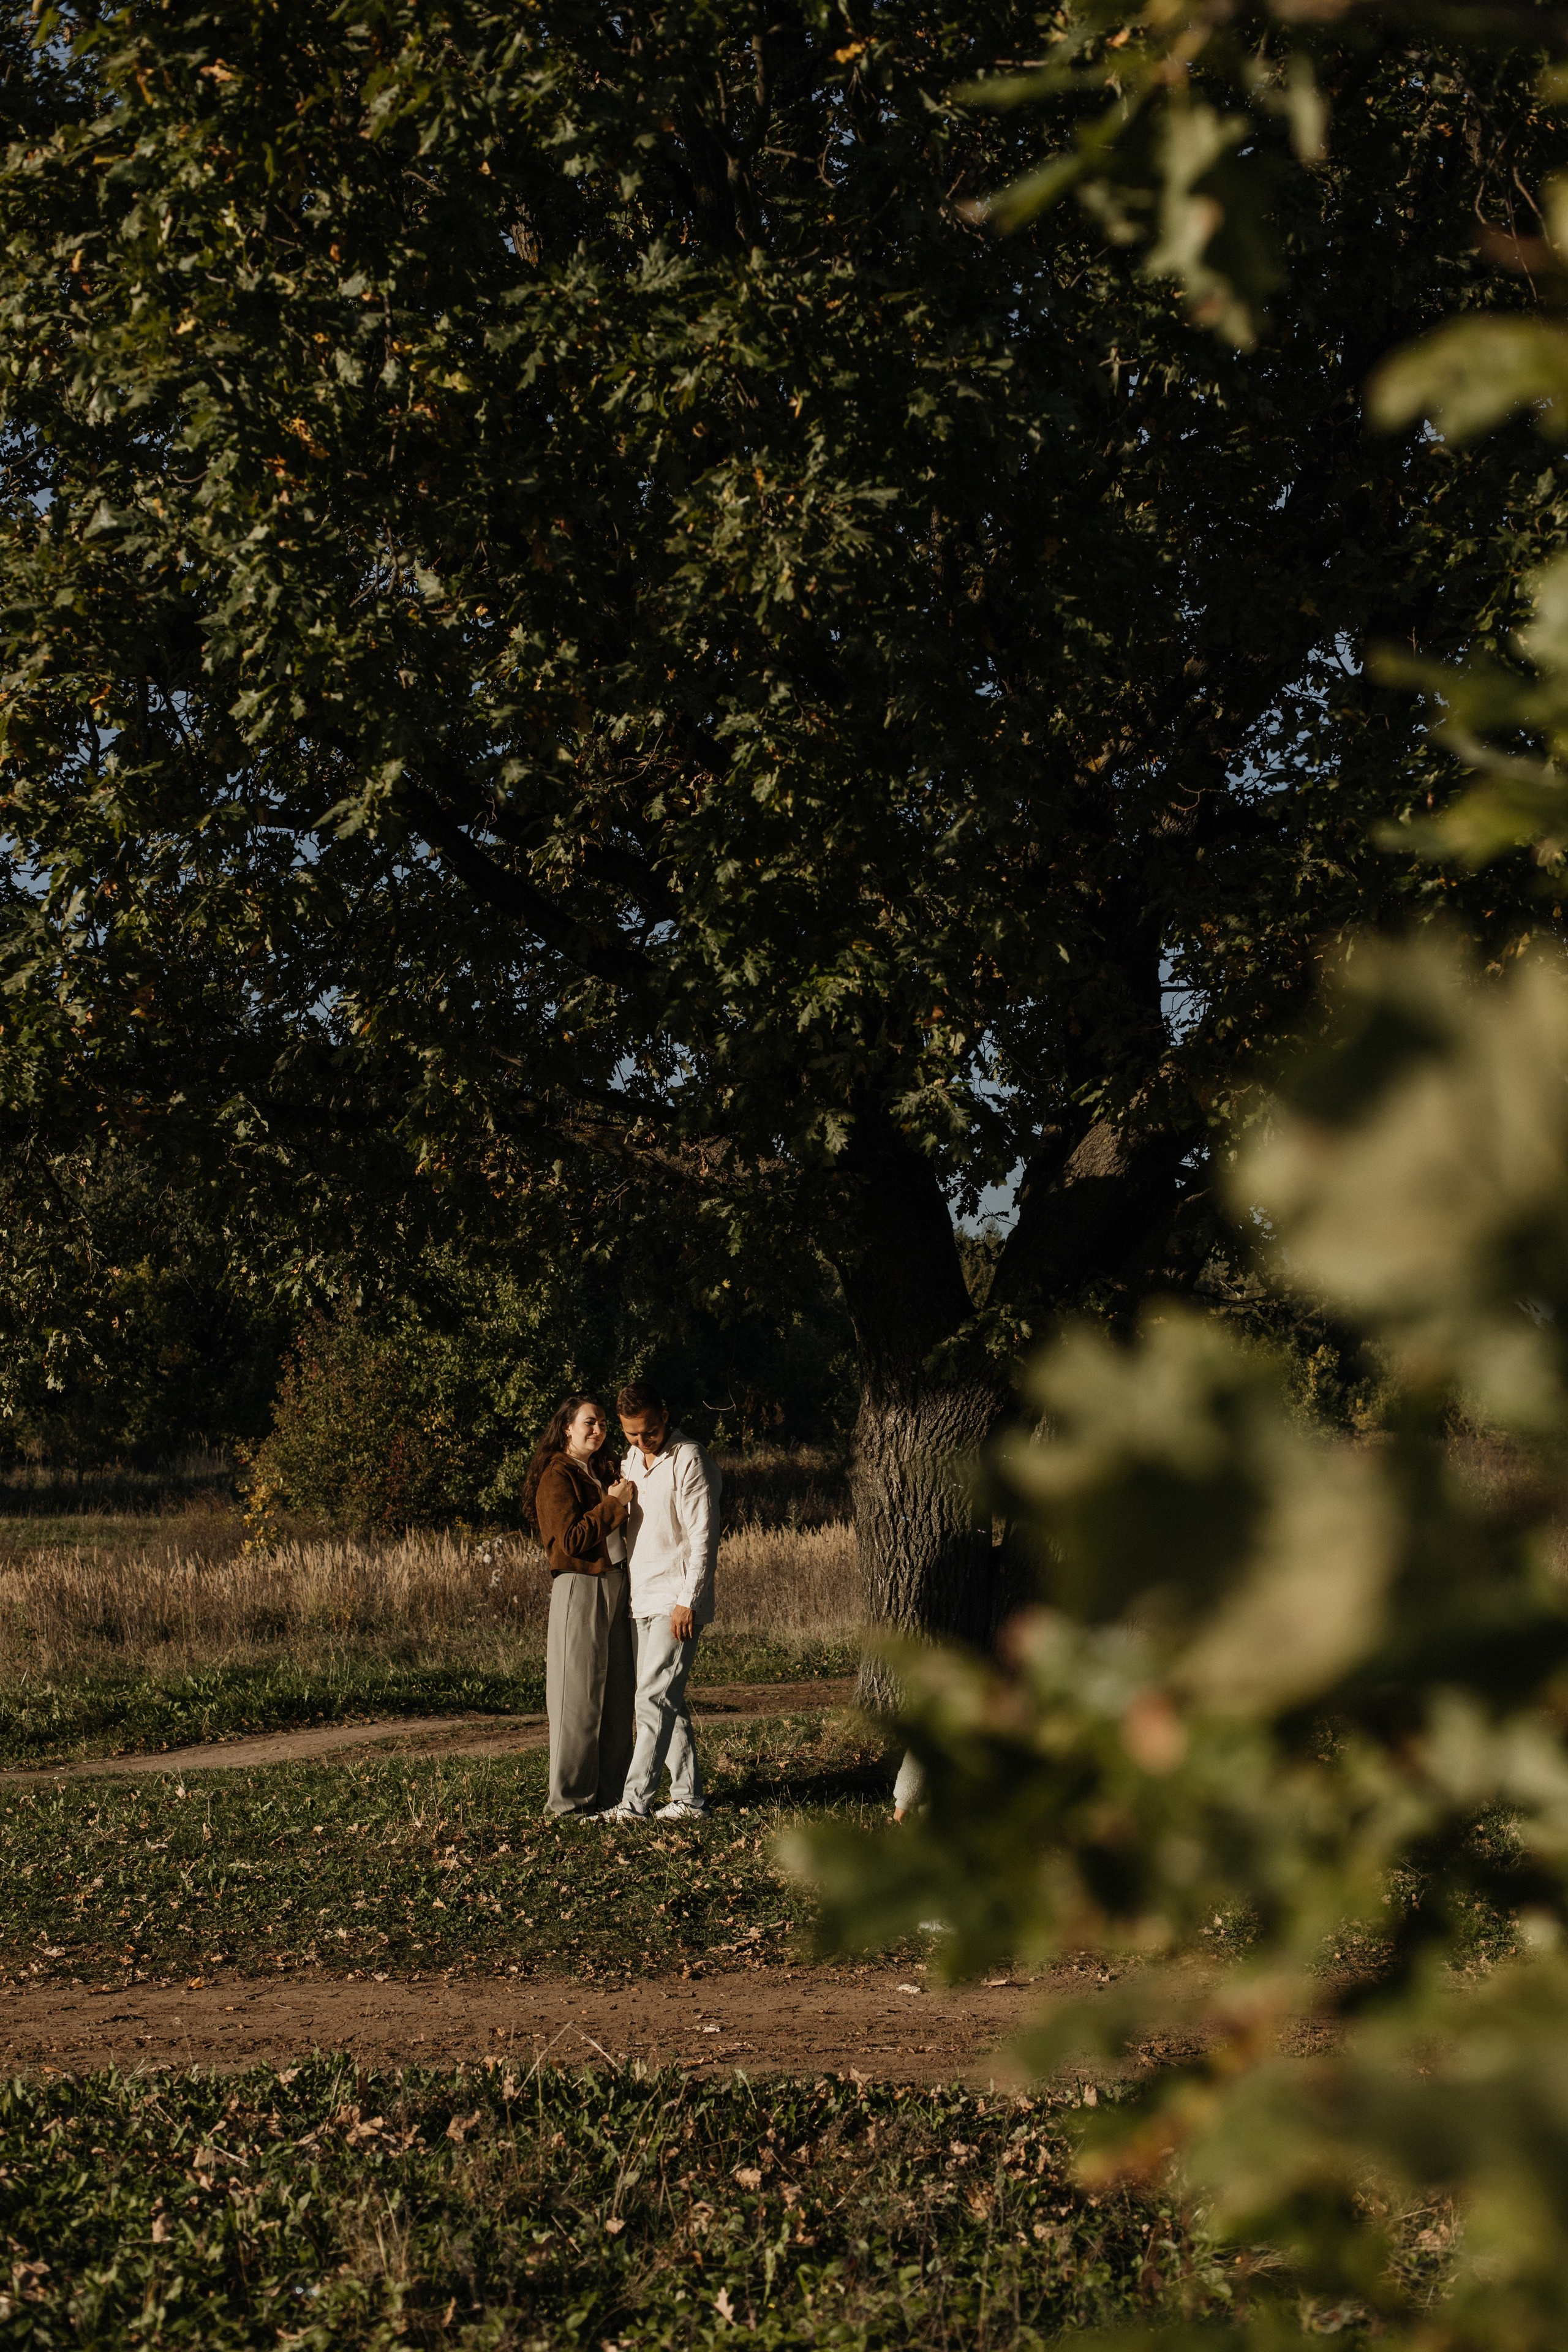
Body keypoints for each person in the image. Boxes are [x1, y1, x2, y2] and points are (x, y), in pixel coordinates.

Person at [606, 1380, 722, 1822]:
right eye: (631, 1433)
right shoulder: (632, 1459)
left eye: (649, 1431)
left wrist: (688, 1600)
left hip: (676, 1600)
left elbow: (703, 1536)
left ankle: (634, 1804)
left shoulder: (688, 1457)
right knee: (664, 1698)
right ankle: (689, 1798)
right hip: (641, 1596)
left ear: (665, 1415)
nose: (641, 1440)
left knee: (651, 1700)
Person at [524, 1394, 638, 1819]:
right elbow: (568, 1542)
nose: (598, 1430)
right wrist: (614, 1505)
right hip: (579, 1586)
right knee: (578, 1699)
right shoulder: (557, 1476)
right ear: (567, 1428)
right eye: (589, 1423)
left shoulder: (598, 1473)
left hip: (616, 1584)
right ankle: (569, 1803)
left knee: (616, 1698)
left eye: (603, 1424)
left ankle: (611, 1798)